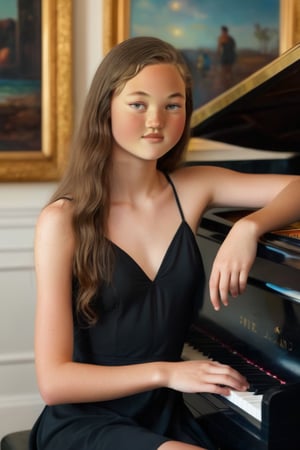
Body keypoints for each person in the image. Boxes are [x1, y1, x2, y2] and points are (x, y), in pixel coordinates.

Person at [29, 36, 300, 450]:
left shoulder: (194, 188)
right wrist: (167, 373)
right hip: (87, 422)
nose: (156, 120)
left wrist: (249, 227)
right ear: (106, 108)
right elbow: (54, 382)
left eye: (173, 105)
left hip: (166, 414)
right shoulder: (62, 221)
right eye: (138, 103)